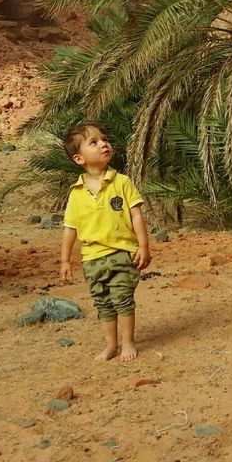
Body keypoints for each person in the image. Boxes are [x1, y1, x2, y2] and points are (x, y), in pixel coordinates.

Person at [58, 123, 151, 361]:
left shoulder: (122, 182)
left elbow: (136, 215)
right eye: (94, 142)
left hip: (122, 253)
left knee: (122, 298)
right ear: (79, 159)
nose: (103, 144)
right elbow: (70, 228)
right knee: (103, 303)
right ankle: (111, 345)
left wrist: (143, 246)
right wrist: (66, 260)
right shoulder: (76, 193)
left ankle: (128, 342)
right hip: (92, 259)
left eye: (105, 139)